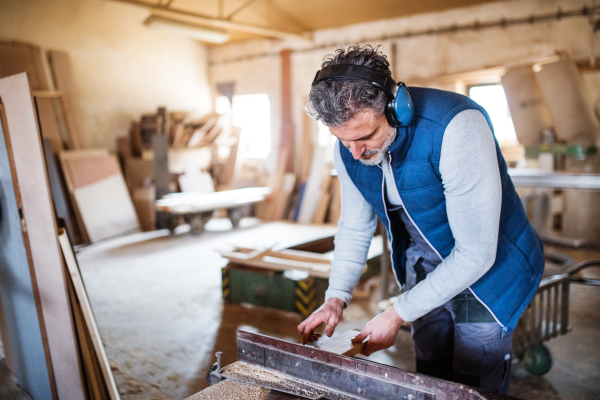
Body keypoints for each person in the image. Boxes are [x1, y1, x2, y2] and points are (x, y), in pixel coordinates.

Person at [297, 44, 544, 395]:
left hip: (490, 271)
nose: (355, 153)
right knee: (431, 370)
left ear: (397, 109)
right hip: (426, 265)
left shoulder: (456, 128)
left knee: (473, 375)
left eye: (365, 137)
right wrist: (335, 297)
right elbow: (355, 224)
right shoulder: (349, 147)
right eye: (342, 140)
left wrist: (397, 313)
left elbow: (476, 253)